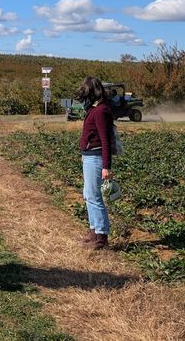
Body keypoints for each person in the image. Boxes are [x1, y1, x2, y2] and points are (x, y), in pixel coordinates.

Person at [75, 76, 114, 250]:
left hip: (96, 158)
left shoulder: (100, 111)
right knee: (88, 195)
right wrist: (84, 153)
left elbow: (105, 140)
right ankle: (93, 231)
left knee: (94, 197)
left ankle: (101, 237)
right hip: (90, 156)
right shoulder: (94, 109)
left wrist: (106, 166)